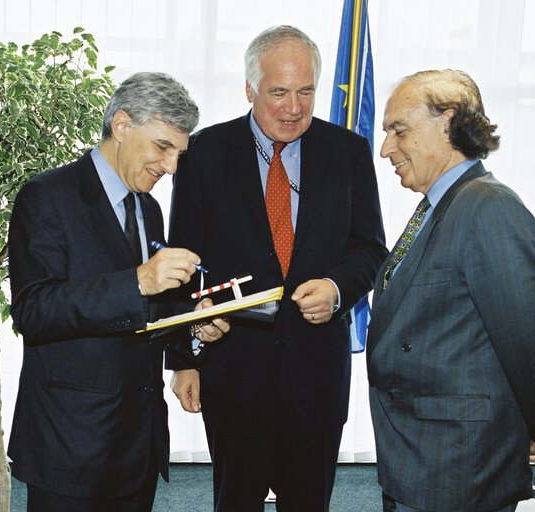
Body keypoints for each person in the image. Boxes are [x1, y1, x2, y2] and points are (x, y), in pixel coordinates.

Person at [166, 26, 388, 511]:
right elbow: (181, 261)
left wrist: (336, 288)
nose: (294, 107)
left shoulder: (348, 152)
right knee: (235, 501)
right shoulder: (203, 153)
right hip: (233, 372)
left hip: (317, 376)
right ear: (250, 90)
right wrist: (183, 357)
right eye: (279, 92)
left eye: (305, 91)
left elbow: (370, 249)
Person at [7, 71, 229, 512]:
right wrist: (138, 281)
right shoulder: (46, 196)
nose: (170, 167)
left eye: (178, 154)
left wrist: (193, 325)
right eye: (163, 147)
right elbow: (34, 311)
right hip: (70, 446)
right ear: (122, 125)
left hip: (137, 444)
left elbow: (148, 310)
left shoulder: (148, 207)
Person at [368, 69, 535, 512]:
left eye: (397, 131)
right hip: (422, 456)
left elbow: (526, 339)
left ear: (447, 122)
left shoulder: (490, 207)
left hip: (458, 467)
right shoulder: (442, 206)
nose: (385, 149)